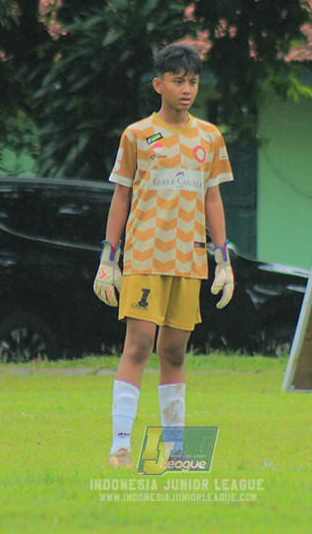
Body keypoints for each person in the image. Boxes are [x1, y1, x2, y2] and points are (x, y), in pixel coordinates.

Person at [93, 43, 234, 469]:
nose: (186, 89)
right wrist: (108, 258)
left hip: (189, 261)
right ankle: (120, 445)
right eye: (178, 81)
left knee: (173, 353)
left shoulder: (209, 137)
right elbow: (121, 196)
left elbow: (213, 199)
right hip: (144, 256)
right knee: (137, 346)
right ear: (159, 85)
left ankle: (174, 450)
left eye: (192, 81)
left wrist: (223, 260)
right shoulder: (137, 135)